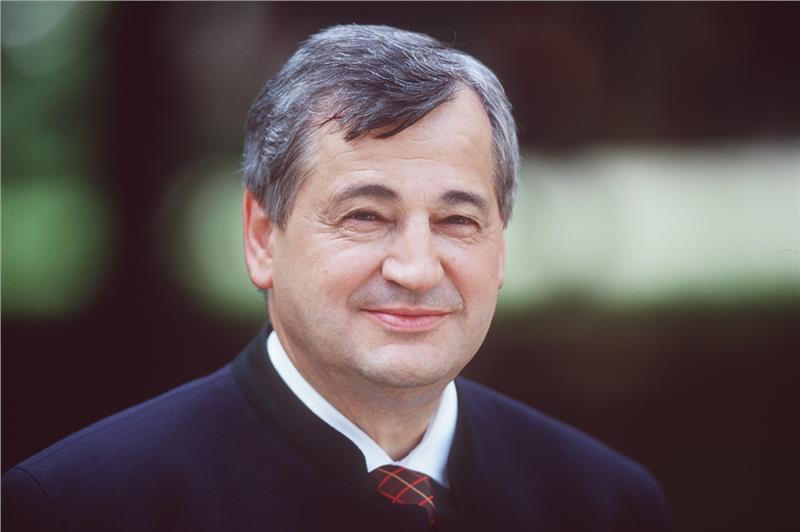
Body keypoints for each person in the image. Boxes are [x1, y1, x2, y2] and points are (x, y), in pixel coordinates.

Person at [2, 25, 670, 531]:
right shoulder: (77, 508)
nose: (416, 269)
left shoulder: (606, 505)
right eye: (365, 216)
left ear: (501, 248)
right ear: (262, 237)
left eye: (457, 221)